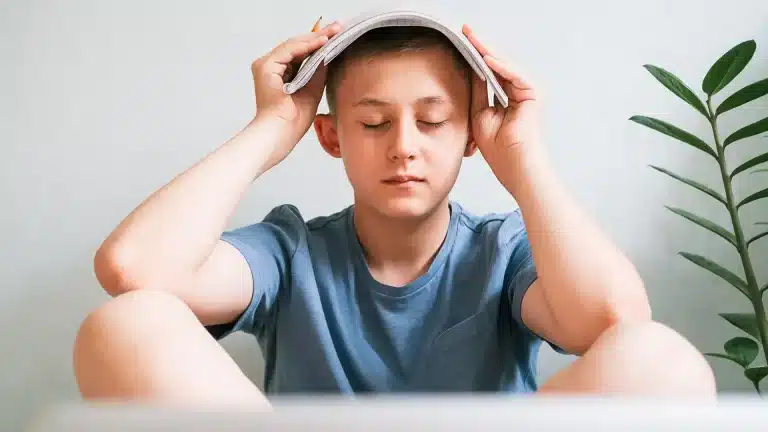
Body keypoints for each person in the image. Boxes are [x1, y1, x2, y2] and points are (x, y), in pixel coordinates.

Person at [73, 19, 716, 408]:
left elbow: (616, 322)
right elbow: (133, 271)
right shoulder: (289, 251)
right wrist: (273, 125)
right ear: (331, 137)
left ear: (471, 134)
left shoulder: (503, 251)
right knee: (126, 321)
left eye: (433, 121)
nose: (404, 145)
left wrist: (522, 155)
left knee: (661, 357)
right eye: (374, 122)